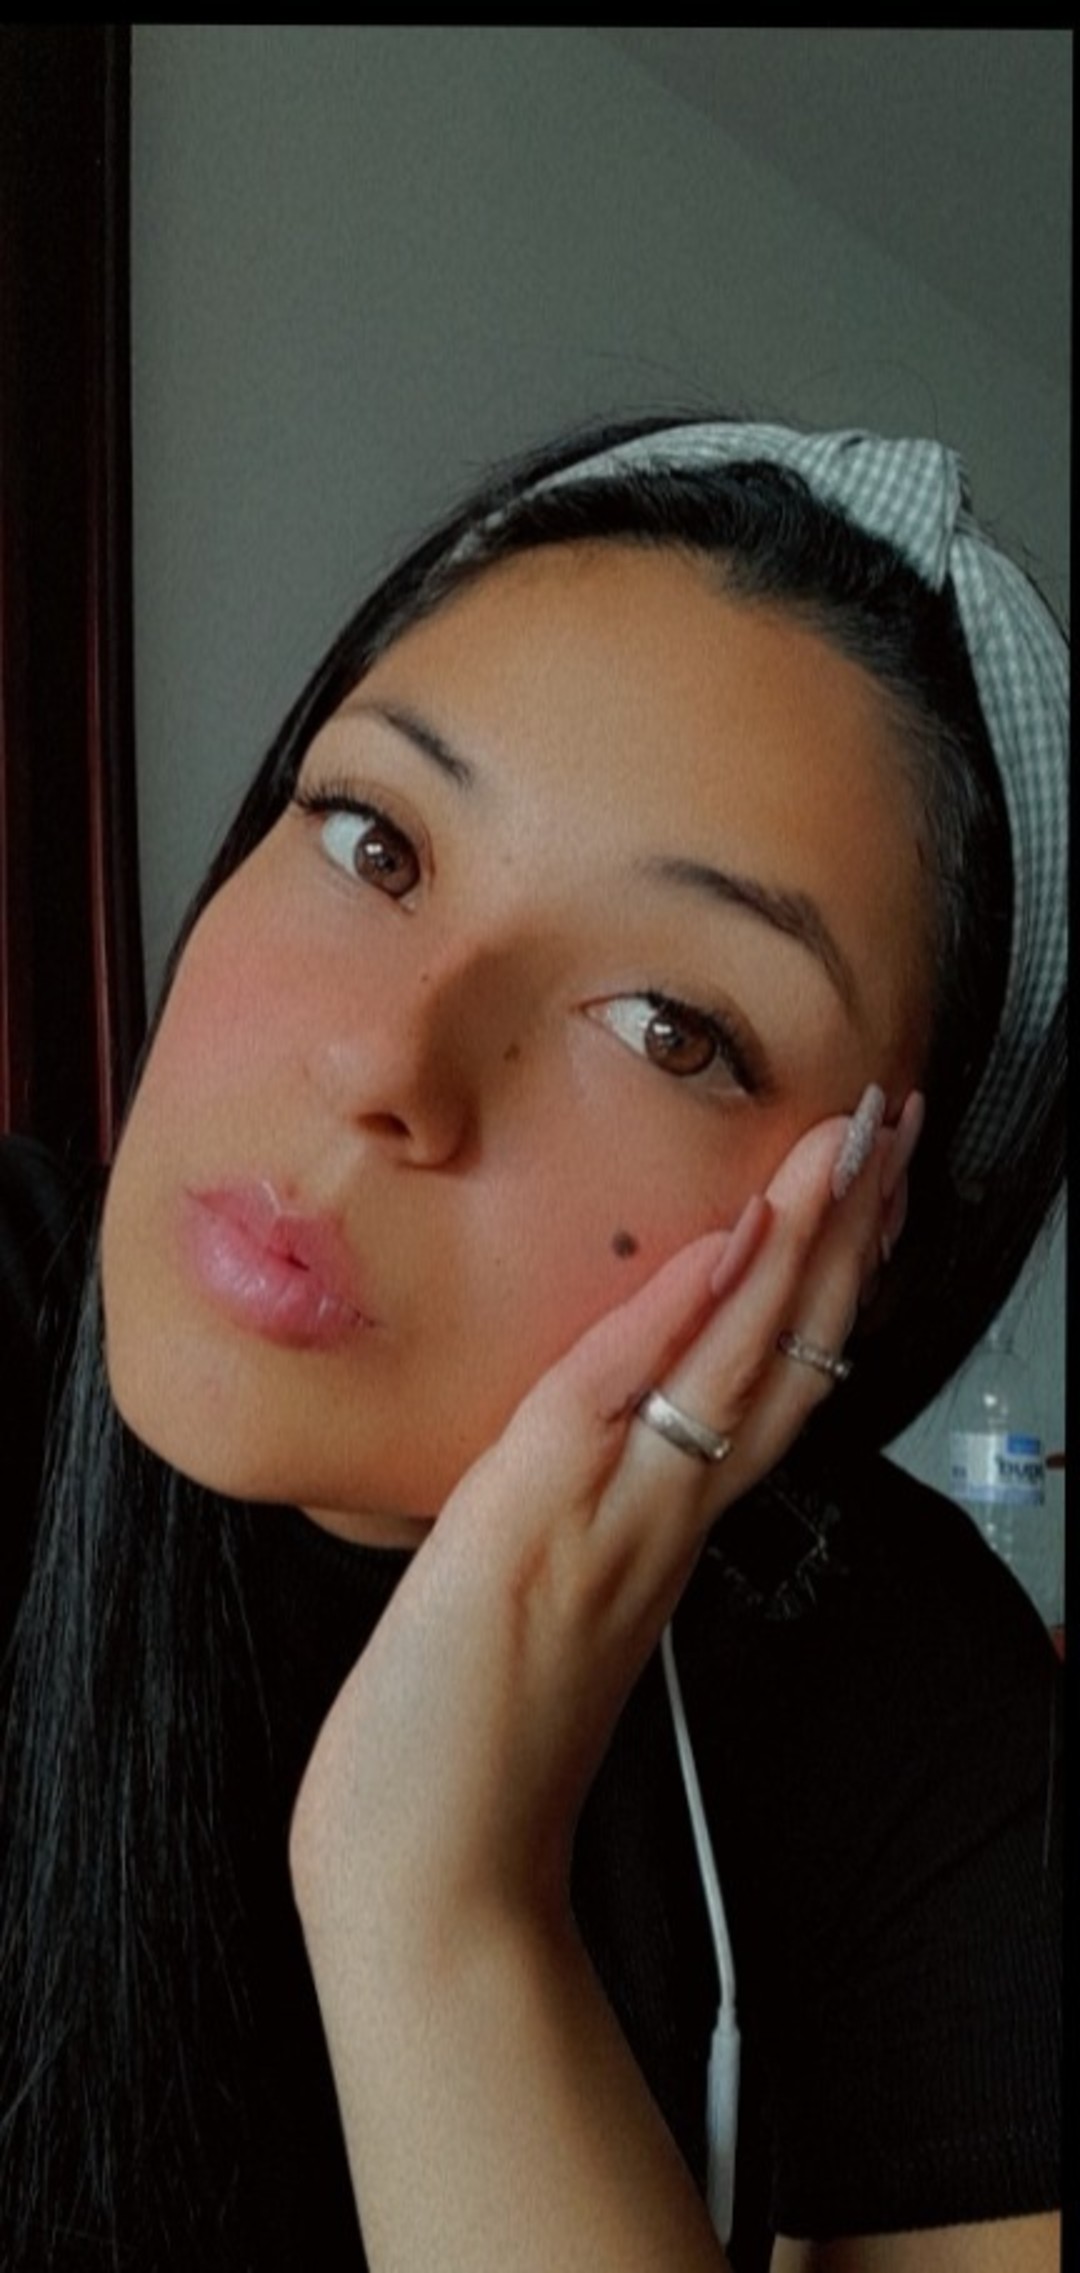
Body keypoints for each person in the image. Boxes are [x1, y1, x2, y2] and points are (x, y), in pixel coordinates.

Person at [0, 416, 1065, 2273]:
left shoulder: (913, 1707)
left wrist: (442, 1901)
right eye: (374, 840)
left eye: (669, 1027)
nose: (386, 1061)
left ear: (861, 1244)